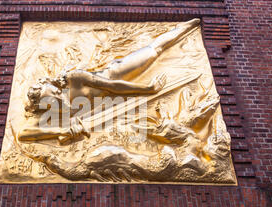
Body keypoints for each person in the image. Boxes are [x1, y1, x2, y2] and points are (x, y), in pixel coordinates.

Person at [18, 18, 201, 142]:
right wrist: (61, 131)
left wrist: (148, 89)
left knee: (155, 50)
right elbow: (24, 133)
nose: (58, 96)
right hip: (113, 104)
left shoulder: (75, 79)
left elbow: (112, 87)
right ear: (46, 106)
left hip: (118, 73)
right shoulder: (55, 115)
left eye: (56, 91)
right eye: (53, 99)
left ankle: (183, 28)